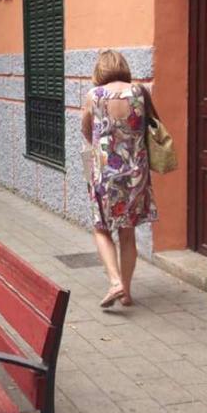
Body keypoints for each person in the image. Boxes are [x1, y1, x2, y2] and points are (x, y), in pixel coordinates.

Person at [81, 50, 158, 308]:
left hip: (105, 174)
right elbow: (152, 123)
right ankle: (126, 292)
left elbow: (85, 128)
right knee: (128, 232)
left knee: (101, 228)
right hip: (136, 173)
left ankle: (114, 282)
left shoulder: (94, 96)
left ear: (99, 70)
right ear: (123, 67)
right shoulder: (139, 92)